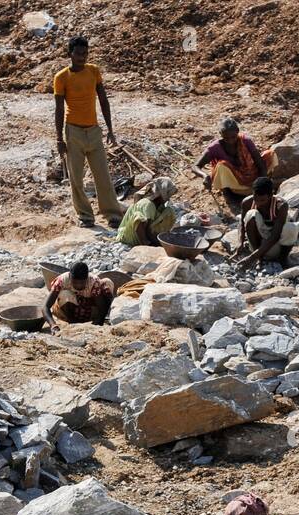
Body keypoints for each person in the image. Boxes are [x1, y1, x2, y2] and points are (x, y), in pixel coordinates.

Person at [53, 36, 124, 228]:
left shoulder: (94, 71)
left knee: (103, 175)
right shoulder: (61, 77)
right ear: (70, 54)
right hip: (73, 132)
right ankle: (85, 216)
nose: (82, 57)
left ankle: (113, 215)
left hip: (94, 131)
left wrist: (110, 129)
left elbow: (103, 100)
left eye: (85, 53)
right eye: (78, 53)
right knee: (76, 178)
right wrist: (59, 138)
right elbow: (59, 109)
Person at [192, 118, 277, 216]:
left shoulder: (246, 141)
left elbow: (260, 163)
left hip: (252, 176)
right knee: (221, 165)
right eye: (226, 138)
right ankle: (230, 196)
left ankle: (264, 185)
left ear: (237, 132)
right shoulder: (215, 147)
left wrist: (262, 187)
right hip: (235, 183)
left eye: (233, 137)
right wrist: (204, 175)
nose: (230, 141)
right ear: (221, 135)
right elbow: (195, 166)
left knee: (269, 154)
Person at [234, 177, 299, 269]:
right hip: (259, 245)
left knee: (291, 228)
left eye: (262, 200)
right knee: (251, 214)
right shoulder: (247, 203)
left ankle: (283, 259)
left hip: (275, 244)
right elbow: (242, 223)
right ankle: (259, 258)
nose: (258, 203)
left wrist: (251, 258)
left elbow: (275, 236)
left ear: (271, 195)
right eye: (255, 199)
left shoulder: (280, 206)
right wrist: (240, 242)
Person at [43, 261, 115, 330]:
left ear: (87, 278)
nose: (78, 285)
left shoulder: (93, 282)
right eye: (75, 282)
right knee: (65, 295)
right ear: (70, 276)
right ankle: (72, 322)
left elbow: (102, 308)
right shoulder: (62, 280)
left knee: (107, 282)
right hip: (65, 314)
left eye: (82, 282)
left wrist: (96, 324)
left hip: (89, 313)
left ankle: (102, 319)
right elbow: (45, 307)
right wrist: (53, 325)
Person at [117, 177, 178, 247]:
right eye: (168, 194)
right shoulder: (147, 203)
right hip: (128, 236)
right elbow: (143, 225)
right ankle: (145, 242)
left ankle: (158, 239)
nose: (168, 198)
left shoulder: (159, 205)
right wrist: (149, 244)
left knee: (169, 212)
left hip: (143, 234)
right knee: (139, 217)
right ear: (162, 192)